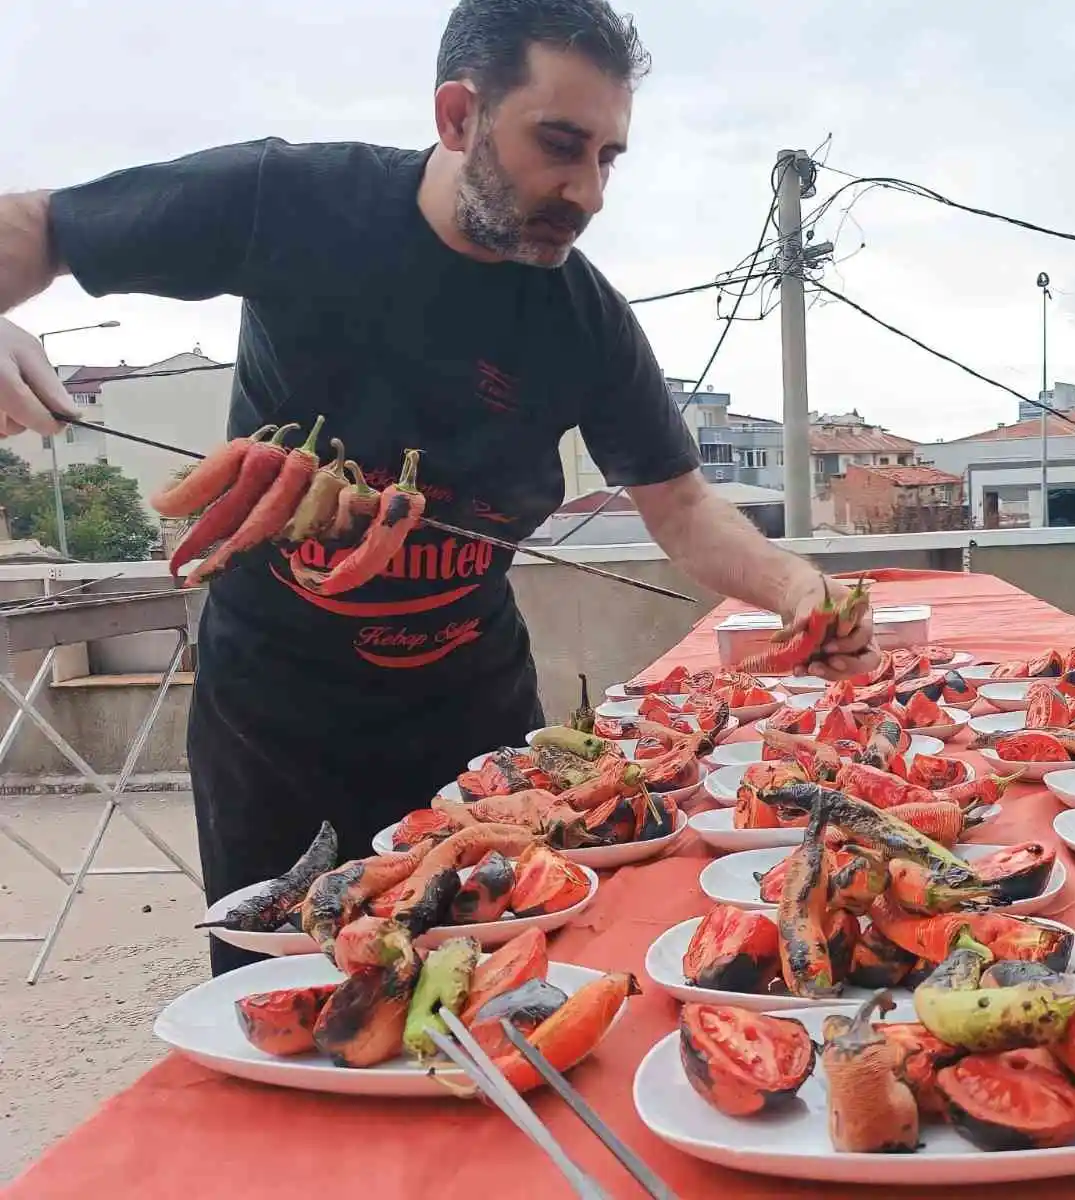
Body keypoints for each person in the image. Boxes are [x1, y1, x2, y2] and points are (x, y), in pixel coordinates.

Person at [0, 0, 879, 976]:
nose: (587, 191)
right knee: (289, 1013)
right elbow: (44, 225)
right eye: (559, 144)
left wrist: (796, 587)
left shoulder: (581, 320)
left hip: (472, 721)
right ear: (458, 117)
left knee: (488, 990)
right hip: (275, 718)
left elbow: (680, 505)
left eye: (607, 157)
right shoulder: (289, 200)